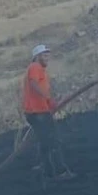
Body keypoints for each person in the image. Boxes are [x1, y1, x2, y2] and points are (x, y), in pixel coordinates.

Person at [22, 45, 74, 180]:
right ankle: (59, 172)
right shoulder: (35, 67)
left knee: (45, 141)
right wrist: (48, 99)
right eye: (44, 55)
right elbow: (33, 84)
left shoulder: (41, 70)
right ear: (37, 57)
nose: (47, 58)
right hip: (38, 112)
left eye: (48, 55)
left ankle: (47, 169)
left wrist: (48, 103)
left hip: (38, 111)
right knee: (53, 141)